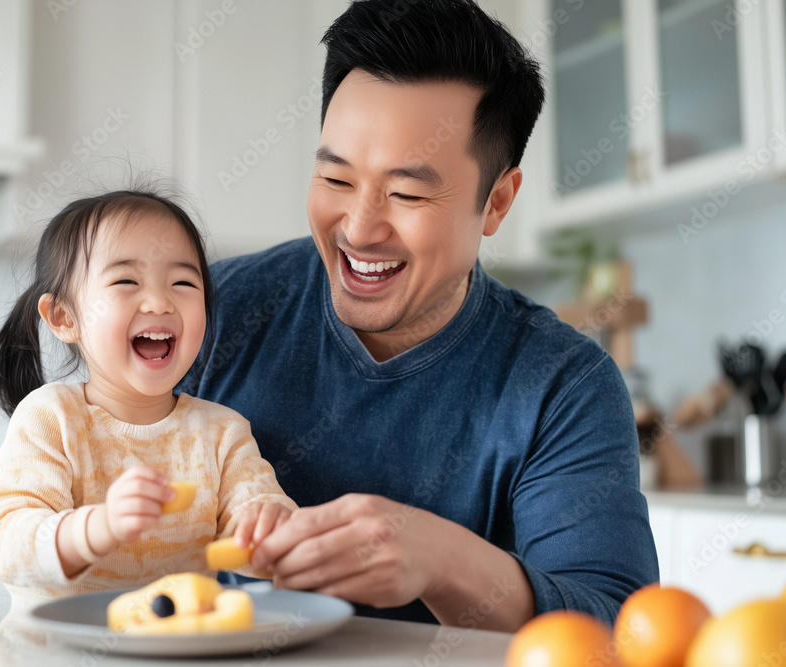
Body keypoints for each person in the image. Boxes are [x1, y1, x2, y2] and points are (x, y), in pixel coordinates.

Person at [178, 0, 659, 631]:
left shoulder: (562, 386)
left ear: (497, 203)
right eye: (336, 179)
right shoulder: (211, 315)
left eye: (406, 193)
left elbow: (618, 630)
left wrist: (444, 560)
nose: (358, 228)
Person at [0, 191, 297, 610]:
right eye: (126, 281)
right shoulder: (51, 418)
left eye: (183, 282)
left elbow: (258, 524)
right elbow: (4, 543)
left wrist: (271, 532)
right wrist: (97, 527)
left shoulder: (223, 432)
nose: (160, 301)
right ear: (64, 318)